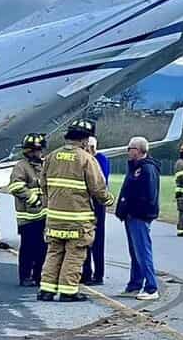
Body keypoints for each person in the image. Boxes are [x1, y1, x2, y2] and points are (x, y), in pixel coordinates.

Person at [36, 120, 111, 301]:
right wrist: (108, 200)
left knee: (54, 252)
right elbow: (98, 189)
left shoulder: (52, 157)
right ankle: (68, 292)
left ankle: (46, 290)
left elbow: (43, 184)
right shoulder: (86, 159)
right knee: (74, 254)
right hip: (78, 220)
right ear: (85, 140)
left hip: (53, 218)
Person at [115, 136, 161, 300]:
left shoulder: (146, 169)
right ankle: (135, 284)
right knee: (135, 252)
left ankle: (151, 287)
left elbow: (148, 195)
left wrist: (132, 207)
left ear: (139, 150)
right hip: (131, 215)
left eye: (130, 148)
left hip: (139, 216)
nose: (128, 151)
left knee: (143, 251)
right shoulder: (135, 167)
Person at [6, 133, 48, 287]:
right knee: (28, 249)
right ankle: (25, 277)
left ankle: (38, 276)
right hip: (28, 217)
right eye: (37, 151)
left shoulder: (43, 166)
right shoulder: (21, 167)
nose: (40, 154)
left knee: (42, 249)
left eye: (41, 150)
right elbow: (15, 187)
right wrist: (32, 198)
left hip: (43, 216)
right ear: (29, 151)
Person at [81, 133, 112, 284]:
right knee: (84, 238)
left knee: (97, 240)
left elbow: (101, 182)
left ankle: (98, 275)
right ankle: (86, 273)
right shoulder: (85, 160)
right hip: (85, 203)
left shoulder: (101, 159)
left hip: (97, 203)